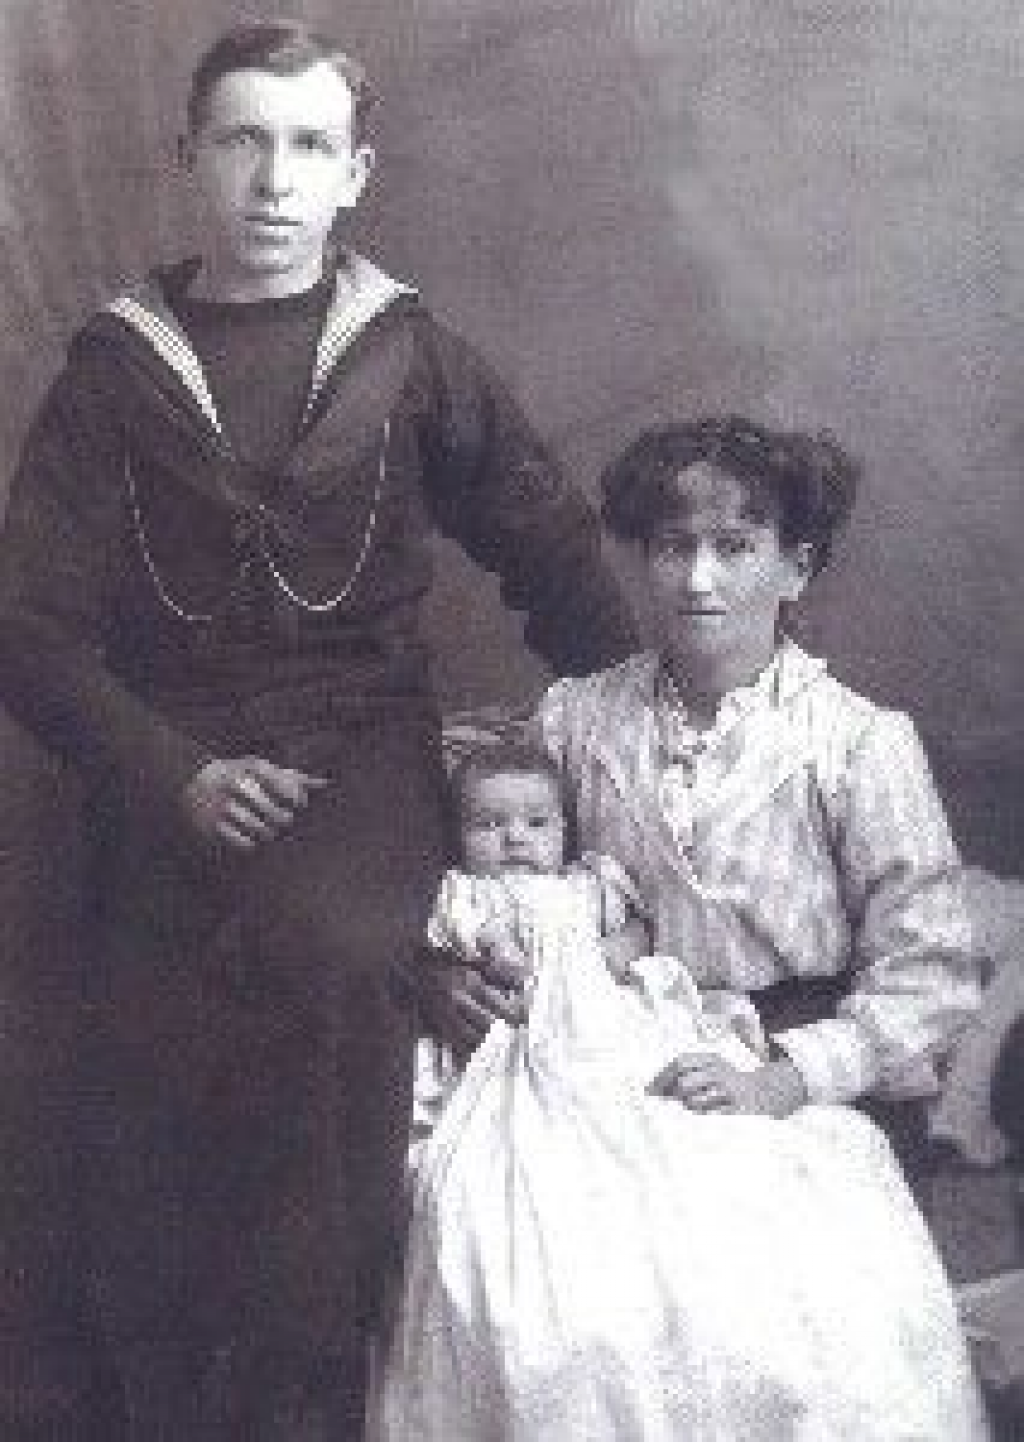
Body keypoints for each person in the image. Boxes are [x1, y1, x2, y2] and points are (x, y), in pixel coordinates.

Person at [0, 20, 636, 1440]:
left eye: (306, 147)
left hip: (361, 760)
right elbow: (28, 631)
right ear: (189, 162)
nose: (272, 180)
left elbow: (553, 552)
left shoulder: (411, 357)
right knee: (127, 1041)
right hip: (168, 768)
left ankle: (318, 1393)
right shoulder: (114, 372)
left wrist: (646, 760)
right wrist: (177, 775)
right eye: (241, 141)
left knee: (331, 955)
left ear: (357, 174)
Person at [397, 415, 990, 1438]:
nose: (699, 578)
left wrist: (784, 1076)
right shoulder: (579, 718)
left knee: (755, 1310)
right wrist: (443, 969)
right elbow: (495, 862)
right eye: (672, 546)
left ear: (794, 567)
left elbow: (930, 973)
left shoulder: (853, 740)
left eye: (735, 546)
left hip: (783, 1076)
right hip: (607, 1064)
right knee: (540, 1293)